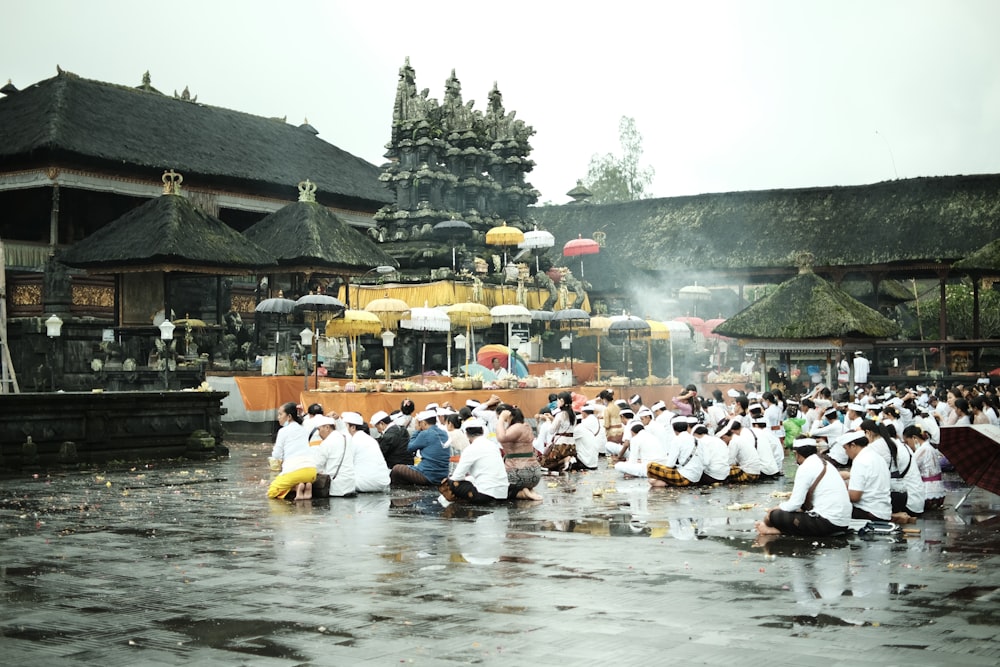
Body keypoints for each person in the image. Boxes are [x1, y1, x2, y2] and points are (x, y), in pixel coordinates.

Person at [755, 439, 852, 537]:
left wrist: (773, 510)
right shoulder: (826, 463)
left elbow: (795, 504)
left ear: (797, 454)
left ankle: (776, 530)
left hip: (827, 523)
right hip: (843, 523)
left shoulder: (805, 467)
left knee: (775, 515)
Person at [439, 418, 509, 506]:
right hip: (502, 494)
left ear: (467, 434)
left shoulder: (471, 449)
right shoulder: (493, 445)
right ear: (482, 431)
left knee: (450, 483)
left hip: (485, 494)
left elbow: (457, 476)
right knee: (470, 479)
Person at [267, 402, 317, 501]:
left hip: (295, 471)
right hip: (311, 472)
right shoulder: (303, 429)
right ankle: (305, 487)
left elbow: (276, 455)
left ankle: (297, 487)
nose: (278, 417)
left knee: (272, 491)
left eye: (280, 414)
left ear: (289, 416)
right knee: (294, 478)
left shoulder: (283, 431)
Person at [389, 409, 450, 486]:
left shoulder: (425, 433)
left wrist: (416, 431)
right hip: (443, 475)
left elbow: (410, 448)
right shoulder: (444, 433)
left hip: (428, 475)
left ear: (424, 423)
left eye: (419, 423)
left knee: (397, 469)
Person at [496, 405, 543, 500]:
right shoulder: (526, 426)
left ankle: (523, 493)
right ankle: (528, 489)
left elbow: (501, 437)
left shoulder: (517, 427)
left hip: (518, 474)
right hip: (534, 474)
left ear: (510, 417)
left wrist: (501, 419)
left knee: (496, 489)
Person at [842, 433, 891, 522]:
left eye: (845, 448)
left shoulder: (860, 460)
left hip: (868, 511)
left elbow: (854, 497)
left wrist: (837, 491)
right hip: (884, 510)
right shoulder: (877, 457)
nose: (846, 453)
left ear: (853, 445)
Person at [647, 416, 704, 487]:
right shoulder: (696, 440)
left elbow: (670, 465)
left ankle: (666, 482)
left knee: (650, 466)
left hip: (684, 477)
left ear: (674, 429)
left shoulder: (677, 440)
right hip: (697, 478)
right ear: (687, 427)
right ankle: (666, 483)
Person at [901, 424, 945, 511]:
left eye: (907, 442)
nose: (907, 445)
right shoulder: (929, 447)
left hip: (928, 495)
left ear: (914, 438)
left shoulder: (922, 450)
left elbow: (910, 467)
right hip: (939, 494)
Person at [310, 415, 356, 497]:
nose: (318, 433)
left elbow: (316, 465)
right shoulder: (346, 437)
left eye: (319, 429)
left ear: (327, 427)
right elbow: (343, 429)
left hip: (336, 489)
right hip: (351, 486)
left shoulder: (326, 443)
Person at [351, 417, 390, 493]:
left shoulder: (354, 441)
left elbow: (345, 464)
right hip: (384, 483)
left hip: (364, 484)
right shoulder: (371, 439)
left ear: (352, 427)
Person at [542, 391, 577, 471]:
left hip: (561, 446)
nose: (557, 403)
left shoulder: (560, 414)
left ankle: (565, 459)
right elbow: (564, 426)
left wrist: (548, 420)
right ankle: (568, 459)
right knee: (558, 467)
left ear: (562, 401)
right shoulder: (573, 414)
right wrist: (553, 419)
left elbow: (551, 430)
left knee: (546, 464)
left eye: (558, 401)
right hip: (571, 446)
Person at [717, 419, 761, 483]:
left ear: (724, 437)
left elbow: (729, 461)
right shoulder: (738, 438)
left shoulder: (733, 442)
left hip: (749, 473)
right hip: (755, 472)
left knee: (720, 470)